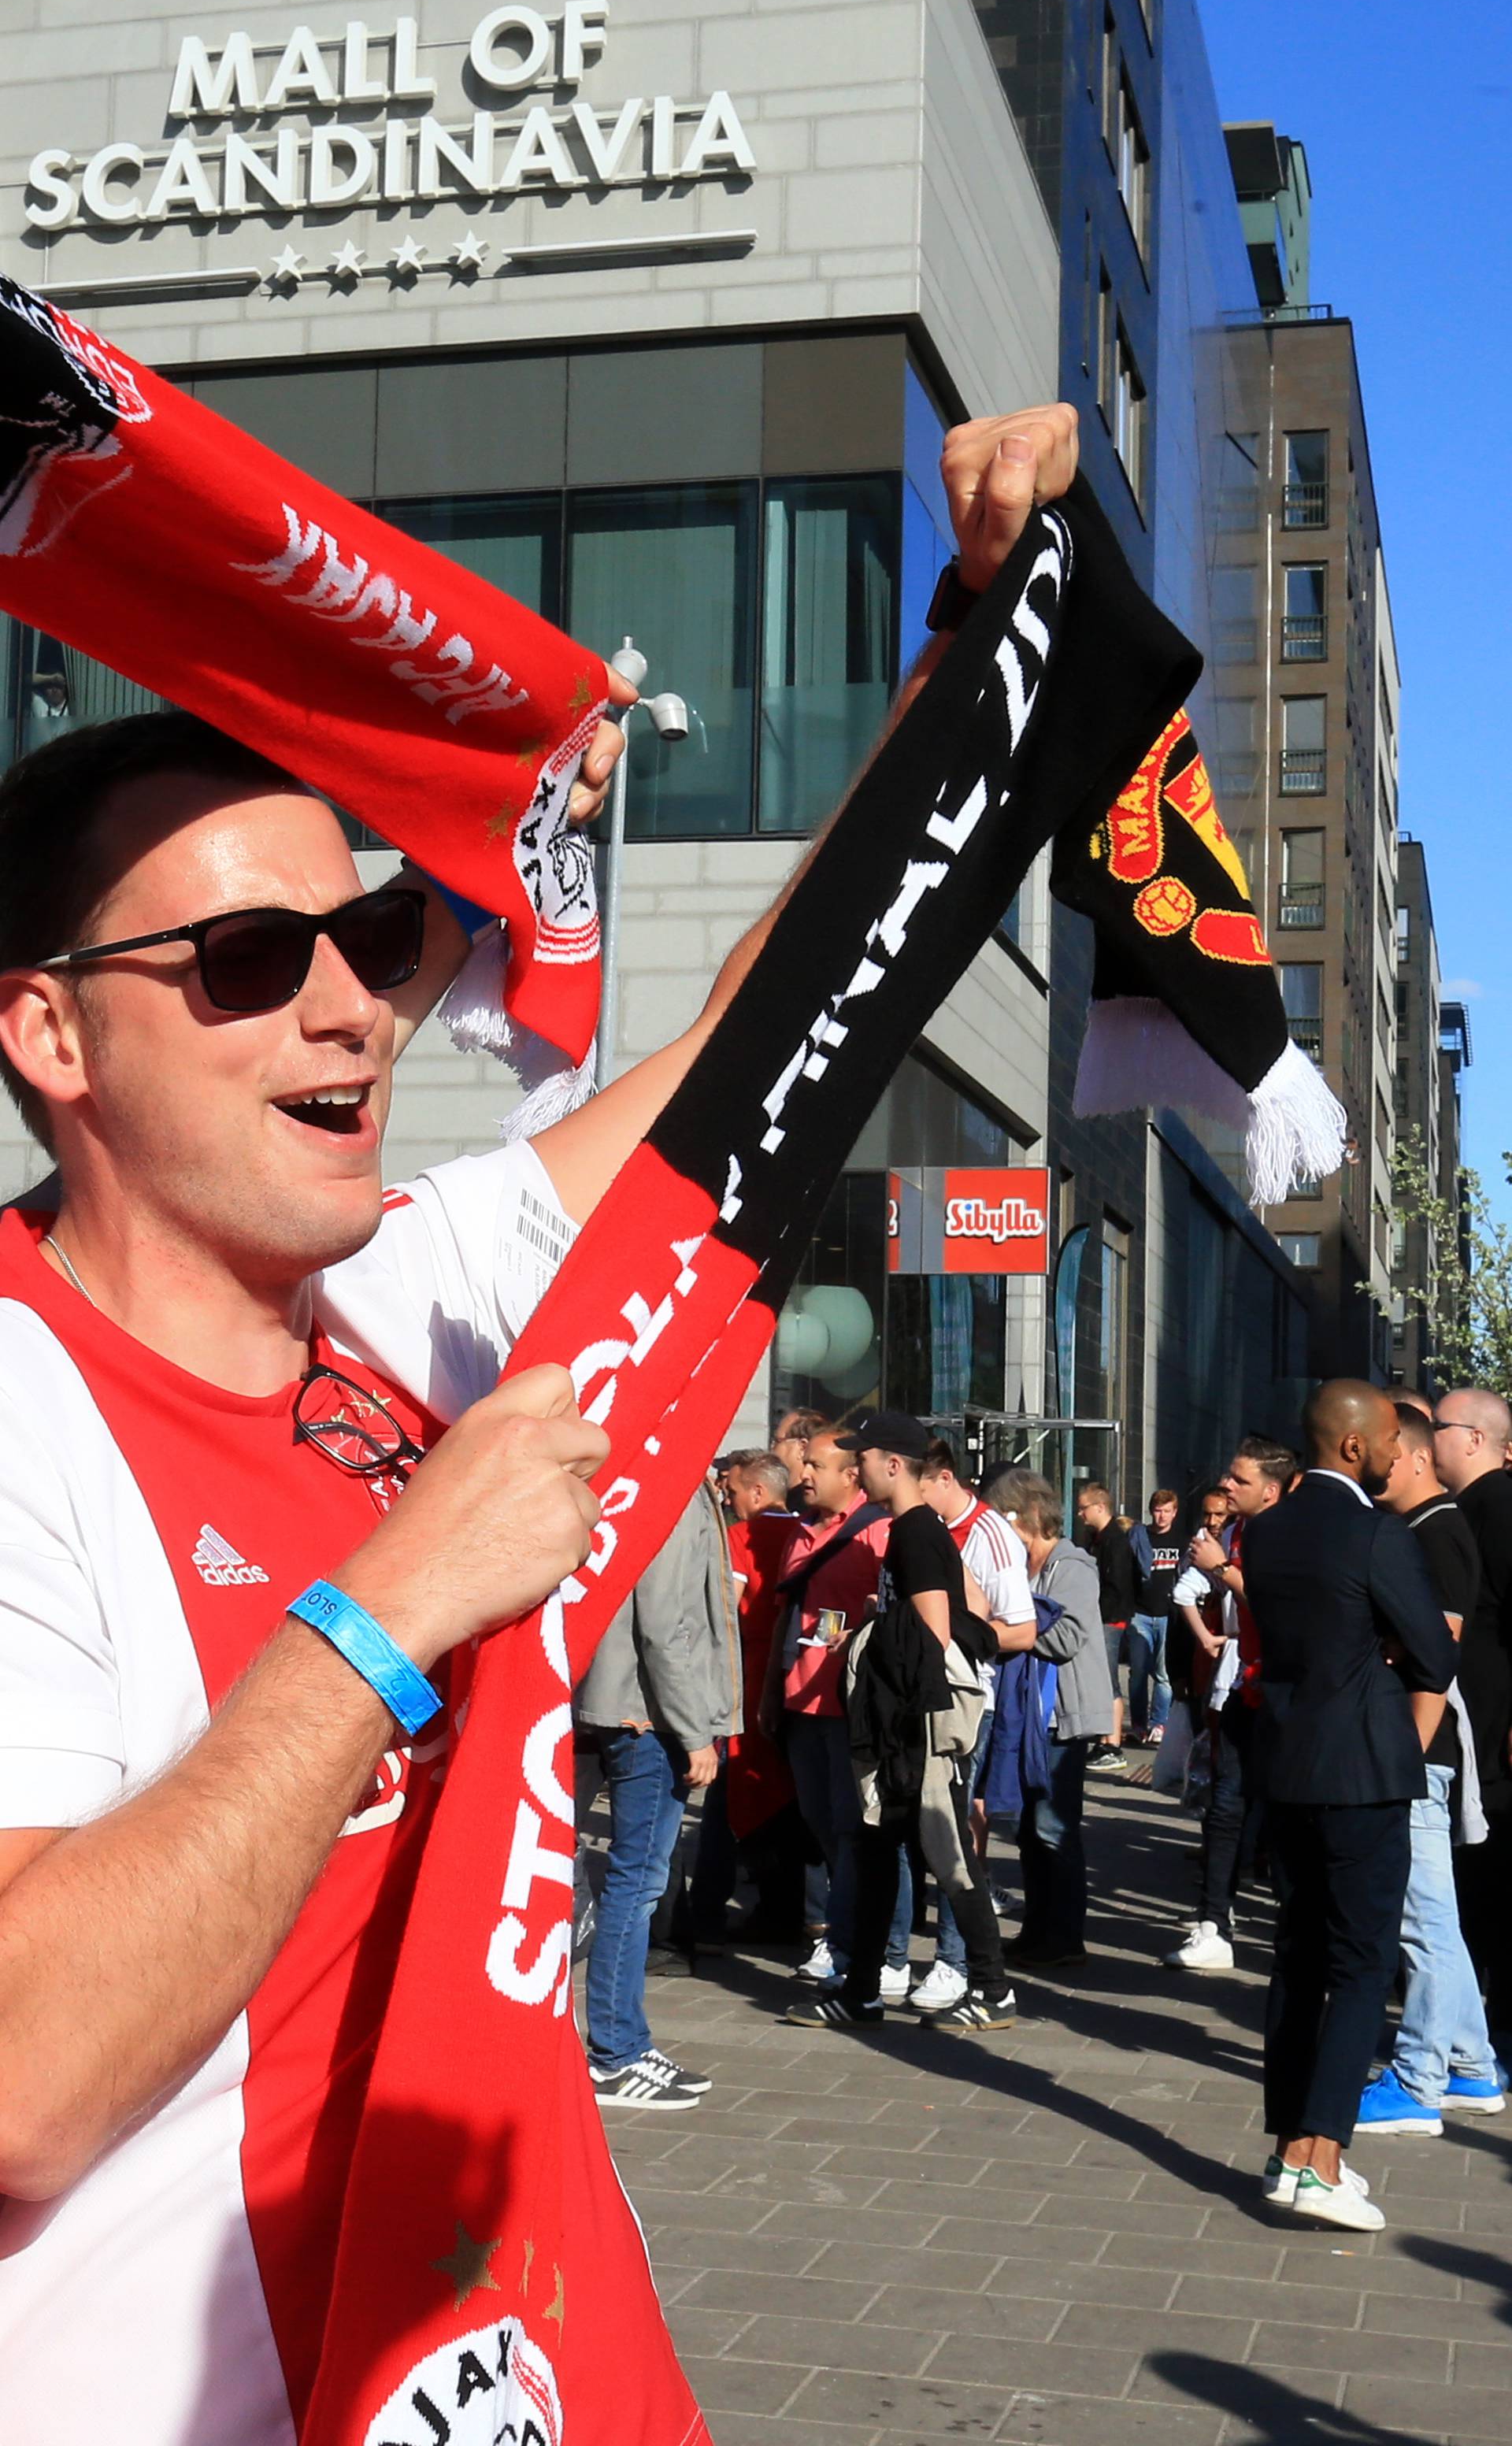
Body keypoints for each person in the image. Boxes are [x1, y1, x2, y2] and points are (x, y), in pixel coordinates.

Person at [0, 402, 1081, 2438]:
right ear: (49, 1031)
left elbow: (743, 1060)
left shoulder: (397, 1277)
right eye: (247, 960)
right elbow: (26, 2087)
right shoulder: (18, 1401)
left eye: (376, 937)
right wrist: (394, 1598)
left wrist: (967, 671)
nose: (350, 1008)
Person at [1243, 1380, 1456, 2231]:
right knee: (1362, 1962)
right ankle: (1324, 2156)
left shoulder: (1263, 1532)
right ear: (1357, 1450)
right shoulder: (1377, 1532)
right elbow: (1438, 1657)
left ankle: (1291, 2146)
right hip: (1364, 1773)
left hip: (1288, 1764)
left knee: (1295, 1957)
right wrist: (1393, 1641)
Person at [784, 1412, 1016, 2030]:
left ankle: (992, 1989)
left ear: (893, 1465)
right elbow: (966, 1609)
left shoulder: (913, 1532)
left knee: (947, 1853)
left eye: (862, 1457)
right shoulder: (917, 1529)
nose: (854, 1467)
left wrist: (872, 1635)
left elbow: (934, 1634)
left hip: (919, 1725)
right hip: (908, 1720)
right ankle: (862, 1990)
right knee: (879, 1848)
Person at [1354, 1403, 1504, 2134]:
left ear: (1412, 1455)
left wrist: (1407, 1758)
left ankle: (1419, 2079)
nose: (1376, 1465)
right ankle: (1471, 2067)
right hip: (1424, 1751)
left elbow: (1437, 1653)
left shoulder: (1438, 1533)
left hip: (1422, 1753)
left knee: (1424, 1925)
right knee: (1434, 1919)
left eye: (1387, 1450)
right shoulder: (1427, 1528)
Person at [573, 1480, 739, 2107]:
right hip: (649, 1716)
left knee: (628, 1884)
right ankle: (616, 2052)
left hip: (630, 1707)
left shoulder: (650, 1481)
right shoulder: (671, 1491)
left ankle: (625, 2045)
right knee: (636, 1885)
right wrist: (697, 1731)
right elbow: (666, 1627)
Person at [761, 1425, 904, 1991]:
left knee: (861, 1830)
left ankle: (878, 1946)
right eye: (805, 1465)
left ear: (852, 1475)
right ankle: (852, 1932)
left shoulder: (880, 1533)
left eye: (816, 1466)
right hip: (802, 1704)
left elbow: (900, 1612)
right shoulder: (799, 1535)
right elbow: (786, 1618)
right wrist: (773, 1691)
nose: (805, 1476)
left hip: (852, 1708)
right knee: (823, 1826)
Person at [913, 1441, 1037, 2011]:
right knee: (921, 1828)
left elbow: (1022, 1630)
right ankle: (901, 1958)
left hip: (965, 1701)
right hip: (917, 1698)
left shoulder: (991, 1536)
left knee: (954, 1830)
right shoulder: (921, 1527)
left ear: (941, 1479)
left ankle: (954, 1961)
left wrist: (959, 1635)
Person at [1165, 1436, 1293, 1973]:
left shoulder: (1288, 1535)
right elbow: (1189, 1591)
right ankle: (1214, 1919)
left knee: (1283, 1807)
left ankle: (1291, 1923)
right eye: (1227, 1478)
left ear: (1272, 1489)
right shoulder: (1232, 1533)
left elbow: (1277, 1602)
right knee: (1225, 1800)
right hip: (1241, 1679)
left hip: (1285, 1683)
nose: (1226, 1487)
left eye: (1239, 1480)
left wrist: (1224, 1571)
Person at [684, 1451, 808, 1949]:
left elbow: (724, 1607)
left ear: (758, 1493)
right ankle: (786, 1909)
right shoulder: (804, 1532)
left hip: (748, 1678)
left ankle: (715, 1909)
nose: (727, 1499)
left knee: (736, 1797)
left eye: (733, 1491)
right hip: (790, 1677)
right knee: (785, 1795)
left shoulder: (740, 1537)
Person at [988, 1466, 1109, 1965]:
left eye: (1005, 1522)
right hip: (1030, 1716)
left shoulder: (1072, 1565)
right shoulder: (1026, 1570)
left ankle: (1064, 1938)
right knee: (1029, 1831)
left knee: (1054, 1827)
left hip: (1061, 1717)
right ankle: (1038, 1931)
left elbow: (1067, 1636)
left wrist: (1009, 1624)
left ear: (1031, 1516)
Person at [1429, 1387, 1512, 2066]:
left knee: (1495, 1874)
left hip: (1497, 1729)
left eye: (1439, 1426)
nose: (1430, 1437)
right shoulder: (1465, 1509)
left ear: (1475, 1439)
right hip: (1474, 1726)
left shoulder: (1501, 1506)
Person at [1076, 1482, 1136, 1770]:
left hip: (1110, 1619)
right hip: (1103, 1617)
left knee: (1108, 1679)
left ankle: (1112, 1744)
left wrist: (1101, 1616)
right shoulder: (1098, 1539)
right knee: (1102, 1678)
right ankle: (1105, 1739)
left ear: (1100, 1508)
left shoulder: (1115, 1540)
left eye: (1084, 1507)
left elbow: (1118, 1585)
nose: (1080, 1514)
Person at [1128, 1487, 1180, 1741]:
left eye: (1167, 1511)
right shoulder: (1140, 1538)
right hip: (1140, 1613)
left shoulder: (1181, 1541)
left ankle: (1159, 1723)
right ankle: (1138, 1724)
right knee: (1138, 1671)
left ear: (1175, 1513)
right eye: (1158, 1511)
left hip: (1169, 1615)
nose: (1161, 1517)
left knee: (1163, 1673)